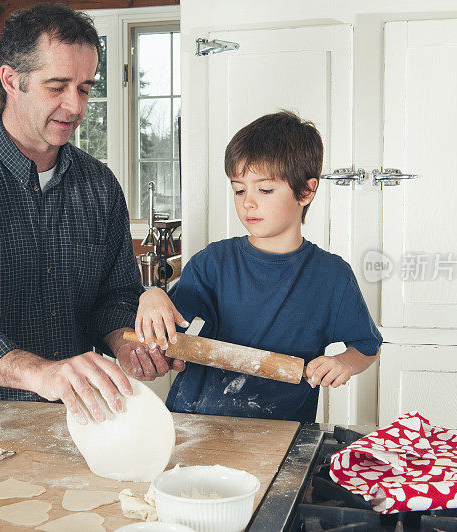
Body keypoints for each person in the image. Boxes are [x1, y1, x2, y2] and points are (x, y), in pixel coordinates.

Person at [0, 3, 177, 425]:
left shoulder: (99, 185)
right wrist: (43, 374)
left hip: (70, 422)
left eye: (84, 88)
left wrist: (128, 346)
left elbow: (114, 299)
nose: (75, 106)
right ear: (11, 80)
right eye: (57, 86)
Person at [136, 111, 383, 422]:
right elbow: (169, 317)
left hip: (279, 431)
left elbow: (367, 345)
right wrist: (151, 296)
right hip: (197, 421)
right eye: (239, 189)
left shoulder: (331, 276)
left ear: (305, 192)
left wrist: (344, 363)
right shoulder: (214, 262)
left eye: (264, 190)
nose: (247, 202)